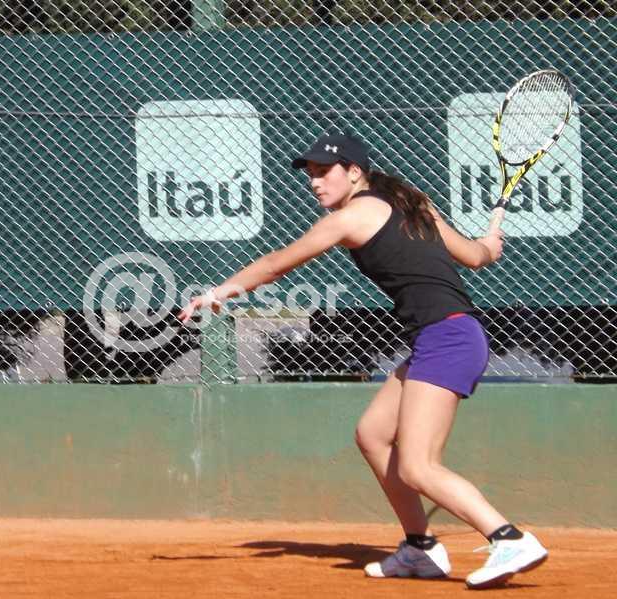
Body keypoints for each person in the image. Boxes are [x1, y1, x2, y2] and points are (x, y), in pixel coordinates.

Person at [178, 133, 548, 589]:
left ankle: (508, 538)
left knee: (418, 465)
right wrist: (490, 244)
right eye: (310, 174)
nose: (314, 182)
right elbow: (474, 256)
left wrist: (217, 293)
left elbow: (277, 264)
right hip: (445, 336)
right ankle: (420, 547)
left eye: (324, 172)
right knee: (373, 435)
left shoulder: (350, 217)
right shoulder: (414, 201)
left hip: (447, 338)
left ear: (354, 172)